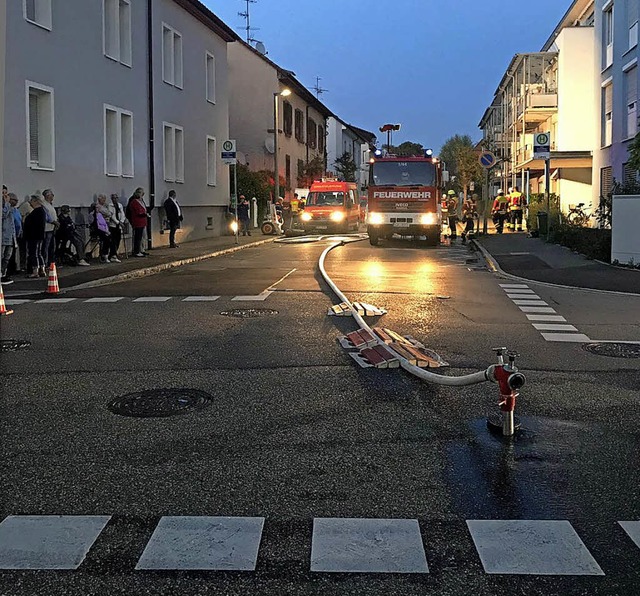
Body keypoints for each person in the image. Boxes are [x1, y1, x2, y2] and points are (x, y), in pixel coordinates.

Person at [23, 195, 47, 278]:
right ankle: (42, 269)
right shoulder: (42, 211)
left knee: (34, 253)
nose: (30, 203)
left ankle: (35, 271)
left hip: (33, 236)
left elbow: (30, 223)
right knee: (38, 253)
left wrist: (26, 217)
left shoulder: (36, 212)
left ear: (36, 201)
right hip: (39, 235)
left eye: (32, 201)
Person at [126, 187, 149, 257]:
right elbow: (137, 212)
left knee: (142, 236)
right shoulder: (134, 201)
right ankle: (136, 251)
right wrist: (145, 214)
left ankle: (141, 250)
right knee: (138, 237)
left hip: (142, 221)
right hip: (137, 222)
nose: (143, 195)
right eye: (142, 193)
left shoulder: (141, 201)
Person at [1, 188, 17, 284]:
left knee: (7, 257)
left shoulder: (10, 207)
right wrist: (7, 204)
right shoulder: (5, 206)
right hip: (2, 236)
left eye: (6, 193)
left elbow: (12, 223)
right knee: (1, 256)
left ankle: (3, 274)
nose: (5, 196)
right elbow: (3, 215)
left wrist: (14, 237)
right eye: (3, 193)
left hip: (10, 237)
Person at [6, 193, 23, 276]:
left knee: (14, 253)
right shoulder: (9, 210)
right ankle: (9, 270)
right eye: (15, 200)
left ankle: (14, 268)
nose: (16, 202)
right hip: (11, 234)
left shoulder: (16, 210)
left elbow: (19, 222)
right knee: (9, 254)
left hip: (17, 234)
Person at [92, 196, 113, 263]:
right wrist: (106, 231)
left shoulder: (100, 215)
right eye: (97, 208)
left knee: (110, 238)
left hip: (104, 229)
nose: (98, 209)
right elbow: (99, 226)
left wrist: (107, 231)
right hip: (99, 230)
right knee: (106, 239)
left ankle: (107, 254)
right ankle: (104, 255)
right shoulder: (96, 215)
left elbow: (105, 223)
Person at [41, 189, 58, 268]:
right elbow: (47, 217)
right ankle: (45, 263)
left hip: (51, 229)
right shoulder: (44, 205)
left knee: (51, 247)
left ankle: (50, 262)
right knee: (45, 247)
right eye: (52, 195)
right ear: (47, 195)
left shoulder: (50, 205)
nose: (53, 196)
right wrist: (54, 222)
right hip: (46, 229)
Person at [108, 194, 126, 262]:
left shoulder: (120, 205)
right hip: (113, 226)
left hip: (119, 226)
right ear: (112, 199)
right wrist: (118, 222)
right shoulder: (110, 206)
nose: (115, 199)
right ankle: (113, 255)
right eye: (113, 198)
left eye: (116, 198)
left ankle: (114, 253)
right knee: (113, 241)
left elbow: (122, 214)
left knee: (118, 240)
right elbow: (112, 216)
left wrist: (122, 221)